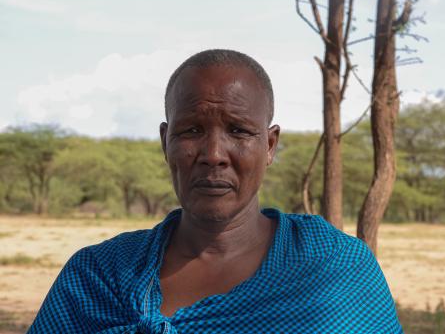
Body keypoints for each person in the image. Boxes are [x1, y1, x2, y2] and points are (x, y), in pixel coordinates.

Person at [28, 49, 403, 333]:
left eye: (238, 131)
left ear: (269, 145)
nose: (212, 155)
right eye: (191, 131)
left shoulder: (336, 268)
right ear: (165, 142)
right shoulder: (98, 275)